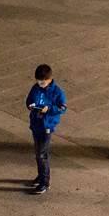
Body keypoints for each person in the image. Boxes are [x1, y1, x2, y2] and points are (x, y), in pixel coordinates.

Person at [26, 63, 67, 195]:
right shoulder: (35, 88)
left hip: (46, 127)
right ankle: (40, 176)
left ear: (49, 79)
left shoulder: (57, 92)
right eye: (38, 81)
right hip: (36, 125)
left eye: (43, 82)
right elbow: (29, 100)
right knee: (38, 153)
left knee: (42, 155)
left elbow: (62, 108)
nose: (40, 84)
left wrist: (49, 109)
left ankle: (45, 182)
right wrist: (31, 106)